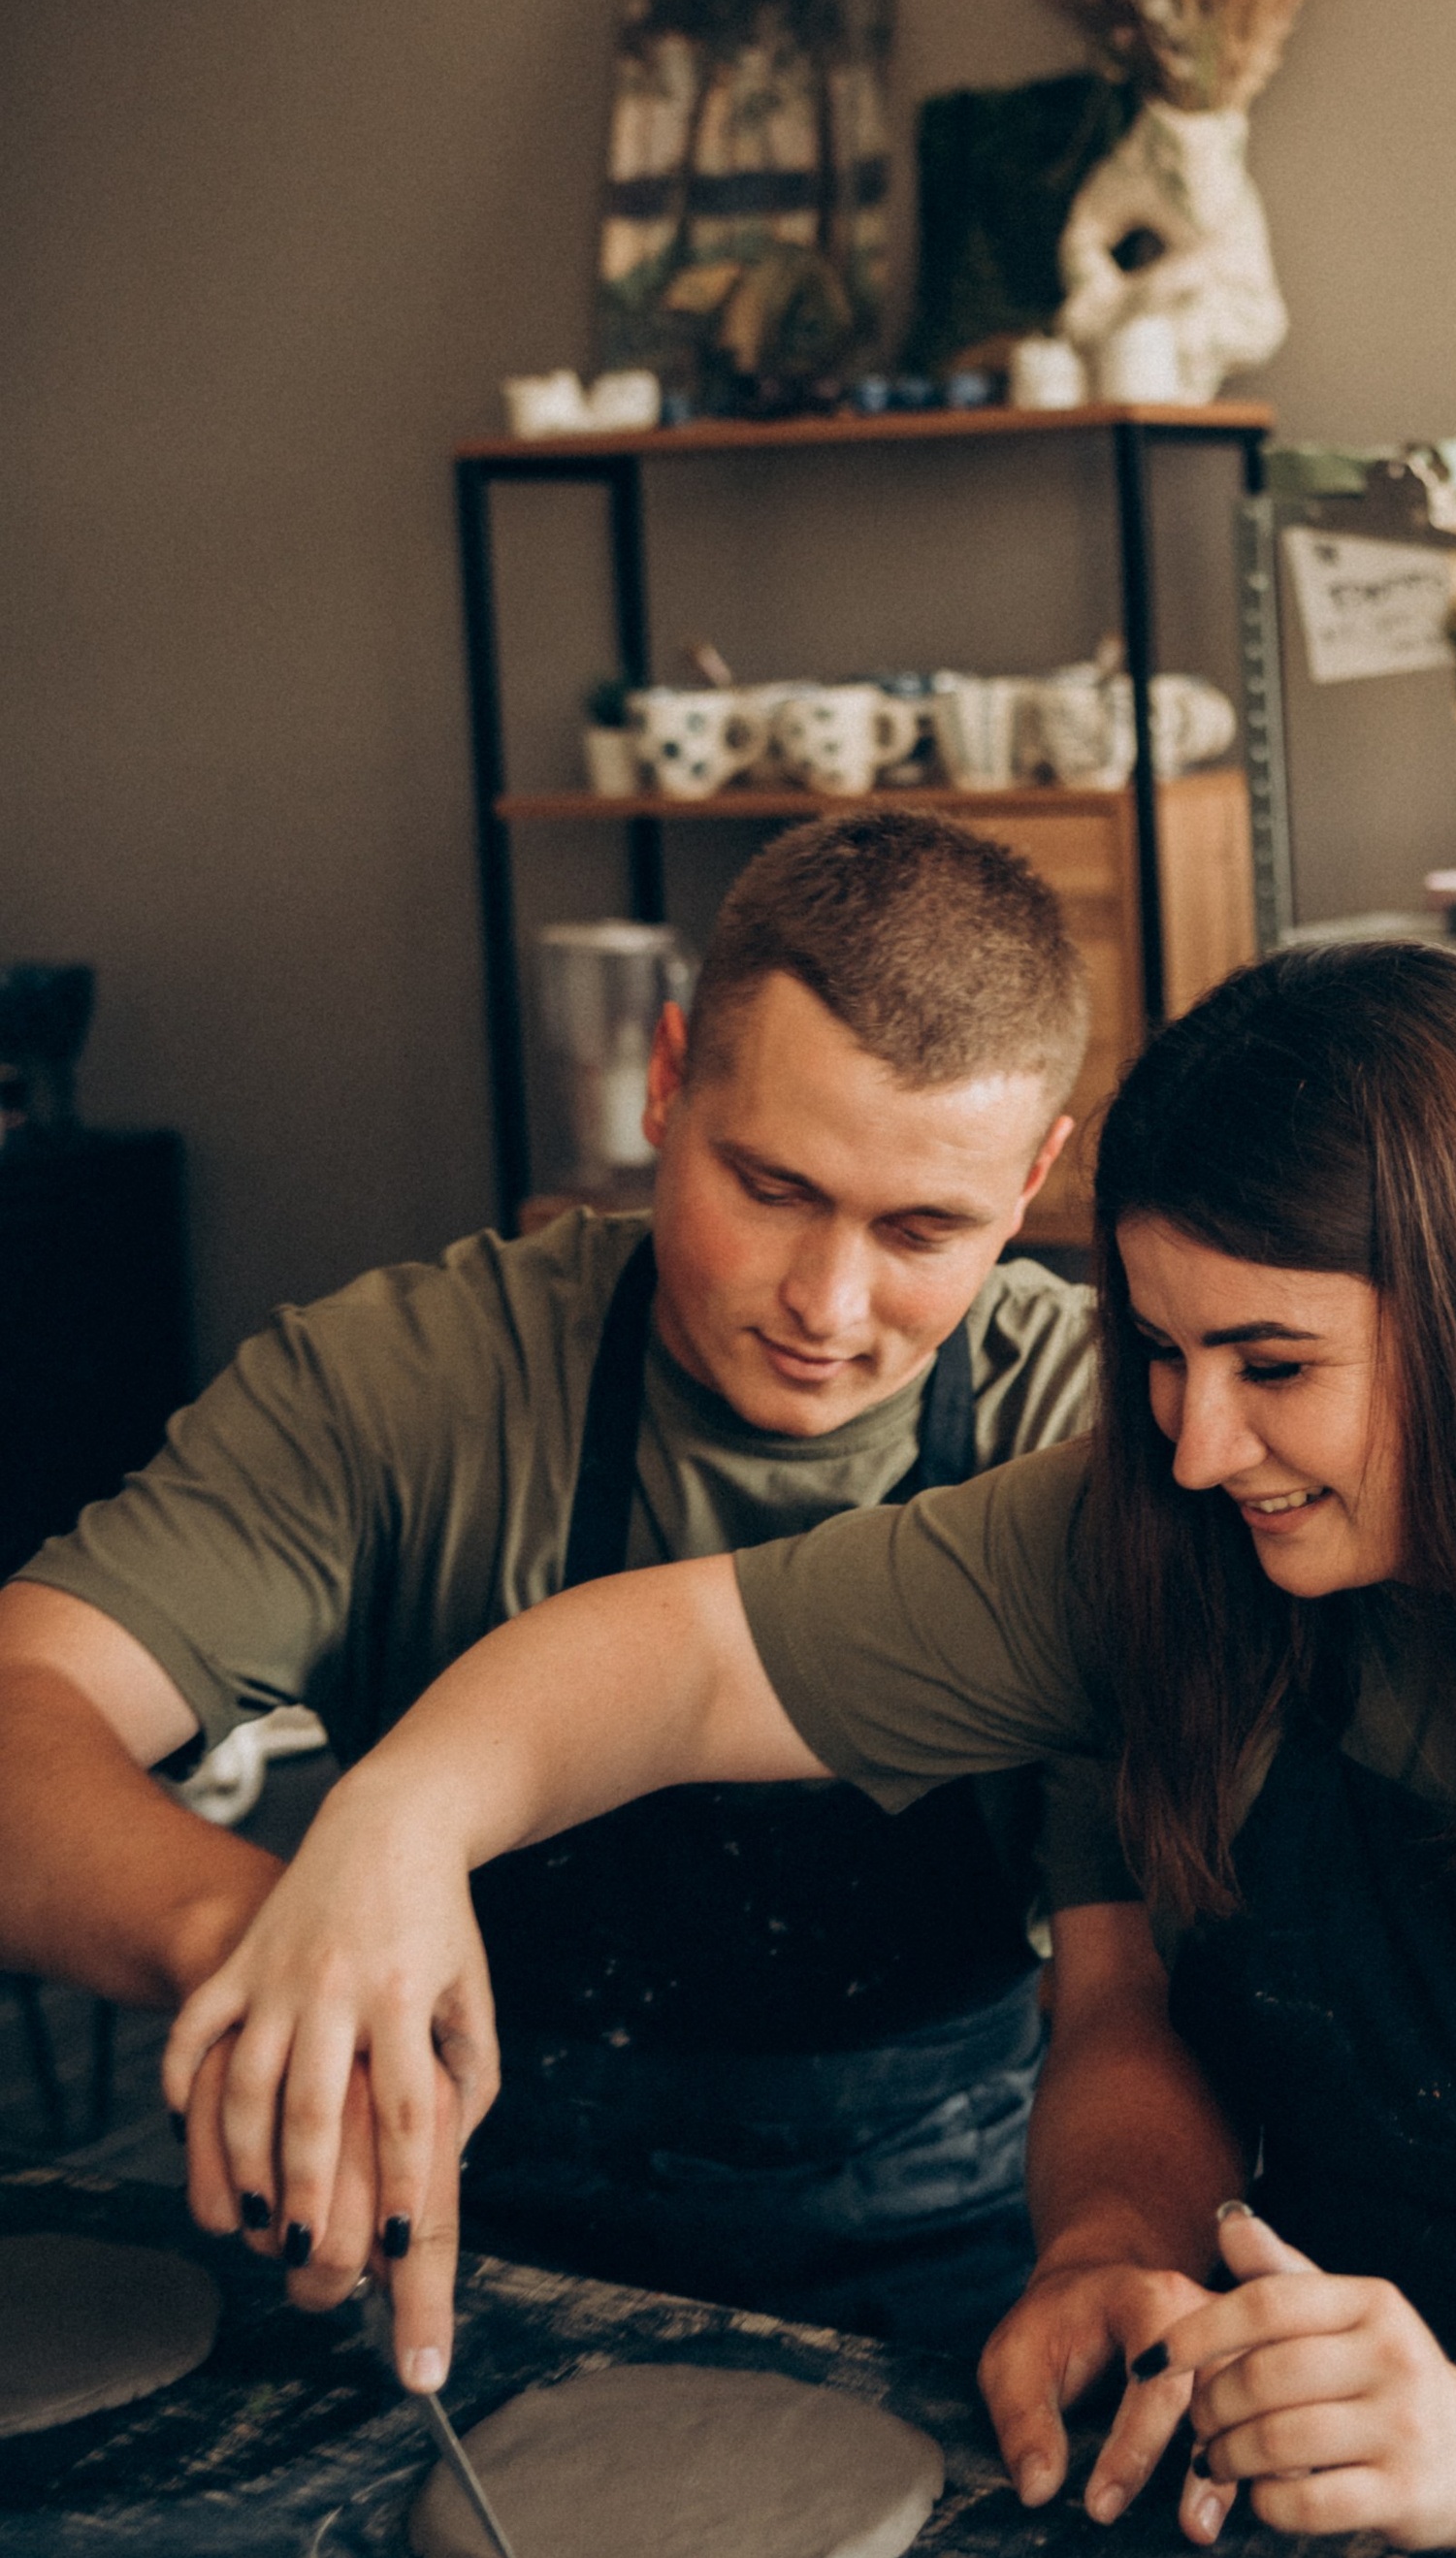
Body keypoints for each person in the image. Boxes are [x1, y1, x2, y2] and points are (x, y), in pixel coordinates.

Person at [166, 945, 1456, 2558]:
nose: (1198, 1441)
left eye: (1272, 1364)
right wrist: (396, 1823)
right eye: (1157, 1349)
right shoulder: (1153, 1542)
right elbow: (689, 1666)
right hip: (1391, 2464)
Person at [1, 809, 1133, 2355]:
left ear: (1034, 1182)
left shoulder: (1092, 1434)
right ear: (667, 1080)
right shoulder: (405, 1384)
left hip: (949, 2247)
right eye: (773, 1187)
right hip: (451, 2226)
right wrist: (280, 1950)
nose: (829, 1300)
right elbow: (25, 1705)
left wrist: (1106, 2252)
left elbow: (1134, 1990)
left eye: (924, 1228)